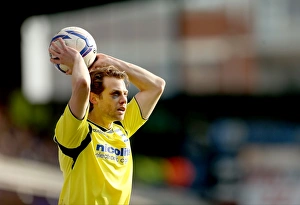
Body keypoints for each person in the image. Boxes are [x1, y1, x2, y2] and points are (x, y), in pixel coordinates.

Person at [49, 37, 166, 205]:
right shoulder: (77, 132)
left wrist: (110, 61)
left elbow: (156, 86)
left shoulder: (123, 127)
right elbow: (82, 84)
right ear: (94, 98)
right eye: (115, 94)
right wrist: (77, 60)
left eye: (125, 94)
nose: (124, 100)